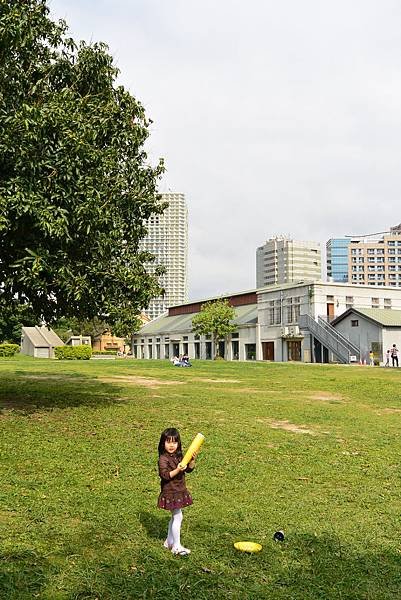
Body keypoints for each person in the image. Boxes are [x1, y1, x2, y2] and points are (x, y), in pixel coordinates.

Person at [157, 428, 197, 556]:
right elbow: (165, 475)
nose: (171, 445)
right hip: (170, 492)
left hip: (179, 490)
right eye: (168, 442)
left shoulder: (180, 456)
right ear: (163, 443)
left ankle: (169, 542)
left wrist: (191, 460)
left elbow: (189, 470)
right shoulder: (163, 458)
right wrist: (178, 469)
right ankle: (176, 546)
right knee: (178, 516)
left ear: (178, 443)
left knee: (176, 516)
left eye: (174, 442)